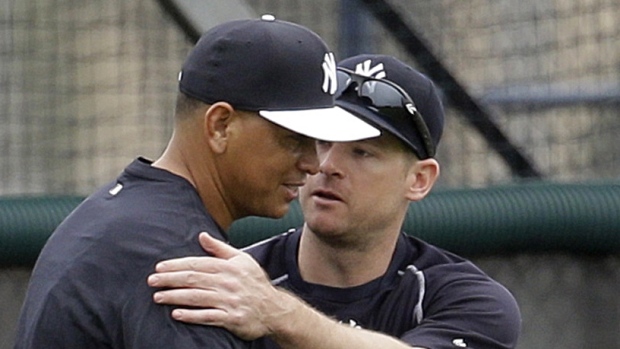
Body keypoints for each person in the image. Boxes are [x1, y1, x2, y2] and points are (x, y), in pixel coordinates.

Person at [13, 16, 380, 349]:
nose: (313, 164)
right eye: (294, 139)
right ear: (220, 126)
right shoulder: (184, 266)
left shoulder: (128, 216)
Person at [147, 54, 522, 349]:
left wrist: (279, 314)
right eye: (322, 142)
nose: (326, 166)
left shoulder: (466, 299)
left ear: (419, 179)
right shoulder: (235, 280)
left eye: (362, 153)